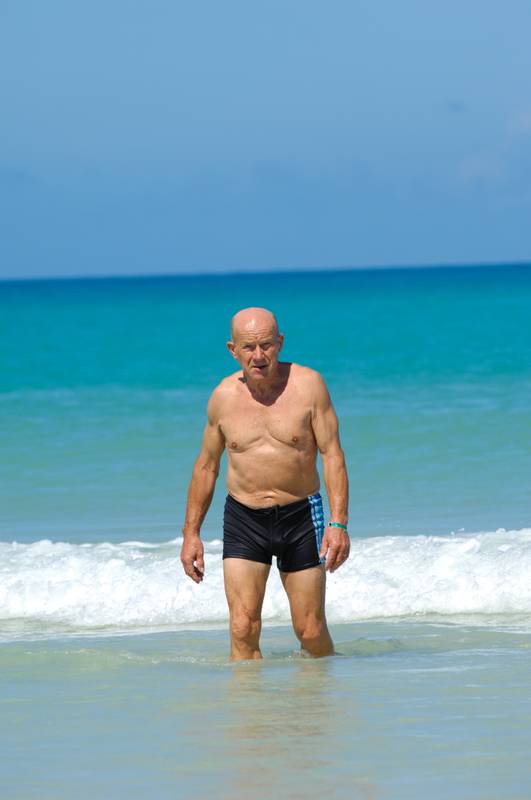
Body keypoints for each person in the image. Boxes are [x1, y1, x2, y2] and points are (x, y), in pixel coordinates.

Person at [180, 307, 350, 660]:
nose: (258, 356)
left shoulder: (309, 386)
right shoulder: (223, 397)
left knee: (310, 630)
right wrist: (191, 534)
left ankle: (321, 691)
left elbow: (332, 454)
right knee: (242, 627)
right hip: (244, 517)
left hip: (301, 516)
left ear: (280, 343)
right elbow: (207, 467)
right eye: (248, 347)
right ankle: (252, 698)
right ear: (233, 350)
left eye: (266, 345)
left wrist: (338, 524)